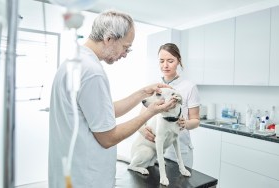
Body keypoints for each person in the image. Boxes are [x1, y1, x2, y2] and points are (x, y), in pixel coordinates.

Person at [48, 10, 177, 188]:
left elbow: (104, 111)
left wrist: (142, 93)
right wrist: (149, 113)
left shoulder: (75, 61)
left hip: (69, 174)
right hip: (86, 178)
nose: (125, 54)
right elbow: (108, 138)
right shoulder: (93, 72)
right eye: (125, 47)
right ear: (109, 39)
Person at [139, 43, 200, 168]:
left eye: (170, 61)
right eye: (161, 61)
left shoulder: (189, 87)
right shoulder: (154, 86)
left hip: (180, 150)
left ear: (178, 61)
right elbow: (141, 118)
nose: (165, 65)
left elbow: (196, 120)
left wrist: (185, 123)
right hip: (156, 150)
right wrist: (142, 131)